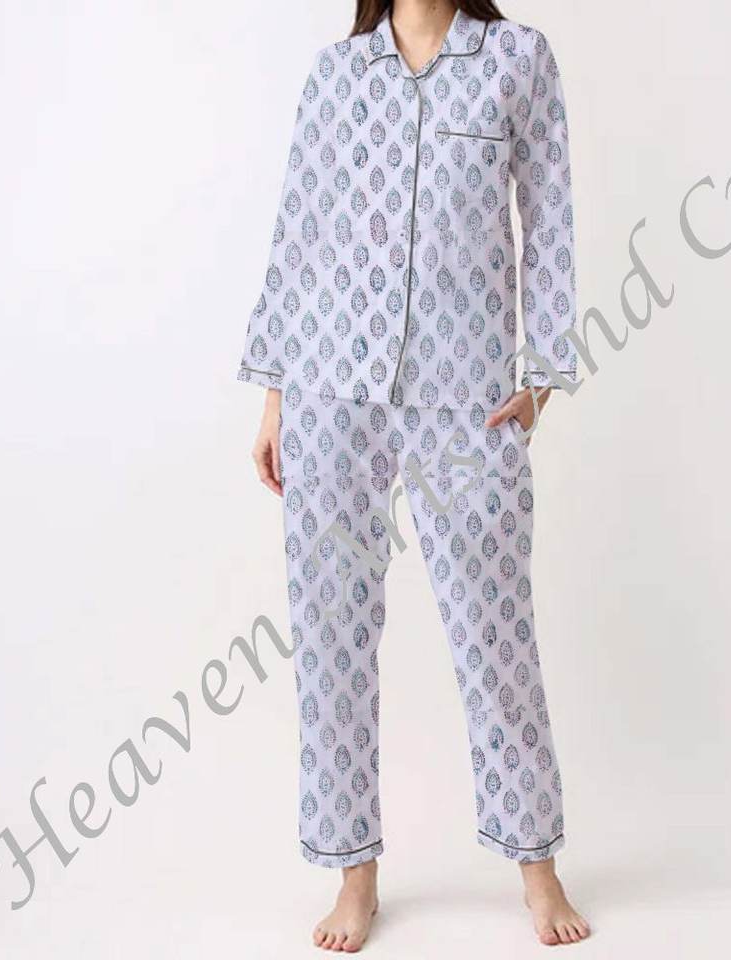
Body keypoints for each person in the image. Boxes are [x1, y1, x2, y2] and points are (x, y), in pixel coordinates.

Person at [239, 0, 590, 950]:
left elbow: (549, 216)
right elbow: (299, 229)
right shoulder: (337, 74)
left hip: (466, 393)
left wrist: (542, 375)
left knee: (494, 630)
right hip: (329, 386)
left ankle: (537, 867)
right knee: (330, 635)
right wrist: (274, 395)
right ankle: (353, 876)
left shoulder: (516, 59)